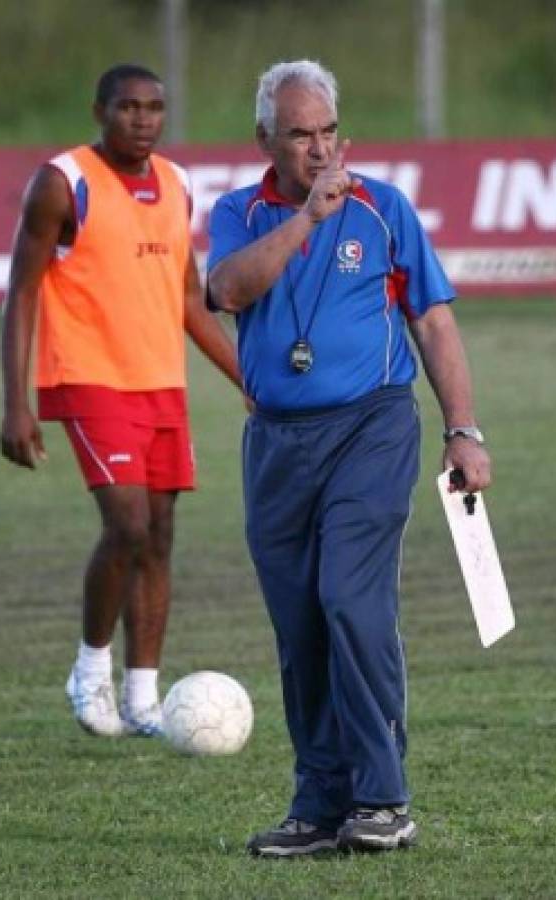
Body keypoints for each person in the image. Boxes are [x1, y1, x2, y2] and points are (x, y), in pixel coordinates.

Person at [207, 60, 491, 856]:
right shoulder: (237, 212)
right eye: (299, 134)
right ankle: (318, 805)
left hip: (371, 428)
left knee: (349, 601)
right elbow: (228, 290)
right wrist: (303, 219)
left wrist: (462, 430)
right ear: (264, 139)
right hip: (275, 445)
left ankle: (381, 798)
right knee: (300, 626)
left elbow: (432, 325)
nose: (317, 148)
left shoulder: (383, 209)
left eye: (327, 130)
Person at [0, 63, 242, 739]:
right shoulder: (62, 183)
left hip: (160, 382)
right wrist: (15, 404)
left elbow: (188, 300)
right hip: (86, 378)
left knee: (160, 536)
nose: (142, 120)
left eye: (154, 108)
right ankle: (89, 672)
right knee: (128, 524)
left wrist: (249, 379)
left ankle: (143, 696)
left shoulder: (177, 184)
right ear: (100, 109)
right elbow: (21, 292)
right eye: (128, 107)